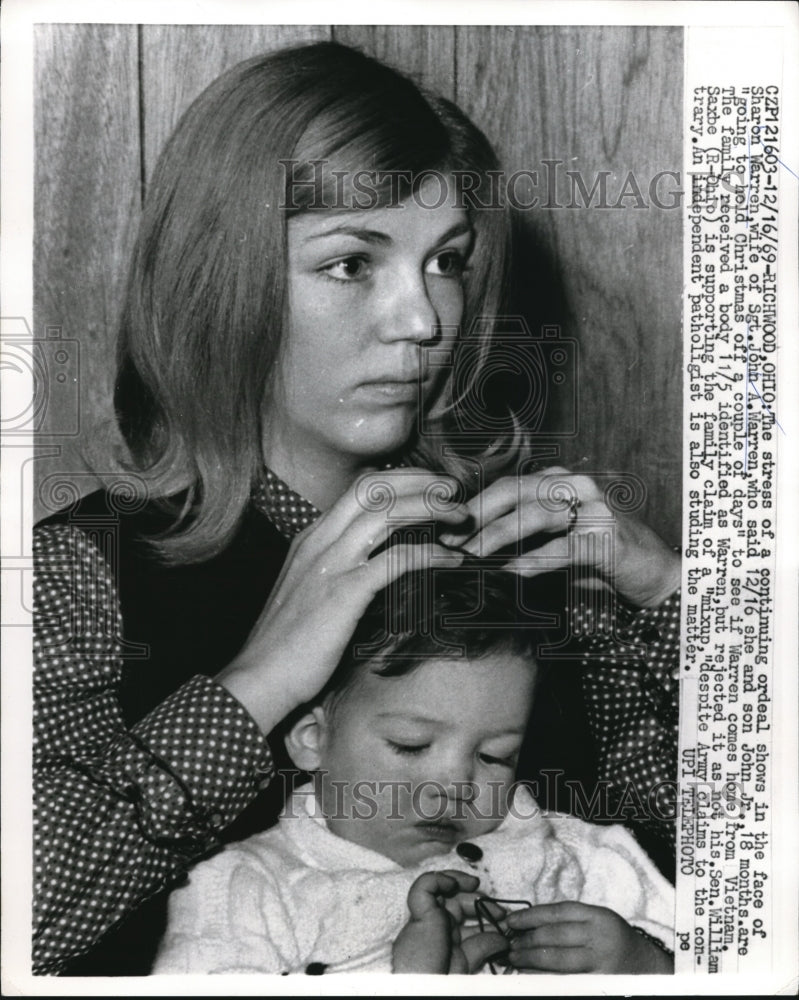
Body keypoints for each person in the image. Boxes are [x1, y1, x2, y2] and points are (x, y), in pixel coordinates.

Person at [33, 40, 681, 975]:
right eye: (351, 265)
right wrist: (252, 688)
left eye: (447, 261)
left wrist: (675, 592)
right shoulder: (75, 580)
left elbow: (713, 870)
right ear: (222, 280)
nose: (422, 320)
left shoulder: (527, 554)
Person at [152, 567, 674, 975]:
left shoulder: (581, 856)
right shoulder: (244, 889)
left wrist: (648, 965)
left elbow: (736, 966)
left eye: (494, 756)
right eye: (411, 745)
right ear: (314, 740)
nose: (453, 786)